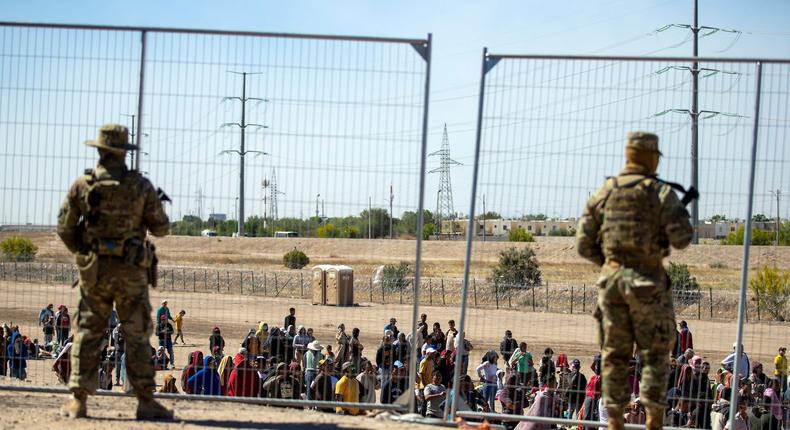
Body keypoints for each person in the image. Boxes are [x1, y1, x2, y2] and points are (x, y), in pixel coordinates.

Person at [576, 132, 693, 430]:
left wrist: (612, 265)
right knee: (654, 354)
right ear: (652, 157)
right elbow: (682, 238)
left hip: (612, 286)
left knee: (615, 355)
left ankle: (614, 421)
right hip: (648, 285)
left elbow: (583, 244)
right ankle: (653, 420)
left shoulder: (606, 191)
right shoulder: (660, 192)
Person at [56, 124, 172, 420]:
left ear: (100, 150)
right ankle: (145, 400)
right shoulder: (140, 186)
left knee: (88, 332)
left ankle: (78, 400)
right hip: (131, 271)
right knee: (136, 335)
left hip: (95, 271)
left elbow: (64, 228)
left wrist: (84, 251)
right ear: (124, 152)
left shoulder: (83, 185)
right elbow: (161, 228)